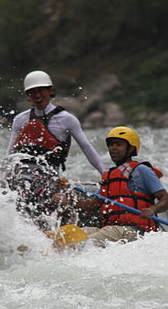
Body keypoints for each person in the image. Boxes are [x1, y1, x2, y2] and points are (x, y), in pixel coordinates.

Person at [6, 70, 104, 226]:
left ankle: (62, 229)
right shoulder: (20, 119)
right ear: (28, 95)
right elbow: (10, 154)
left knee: (58, 200)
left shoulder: (67, 119)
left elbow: (86, 147)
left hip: (48, 177)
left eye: (41, 91)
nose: (37, 95)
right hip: (22, 177)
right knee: (15, 192)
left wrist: (104, 174)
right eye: (32, 92)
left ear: (51, 91)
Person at [54, 126, 168, 247]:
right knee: (65, 238)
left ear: (131, 148)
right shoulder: (109, 176)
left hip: (134, 230)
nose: (113, 148)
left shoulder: (142, 170)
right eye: (111, 145)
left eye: (118, 144)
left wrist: (152, 210)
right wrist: (68, 197)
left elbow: (167, 200)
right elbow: (90, 206)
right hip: (110, 229)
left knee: (85, 243)